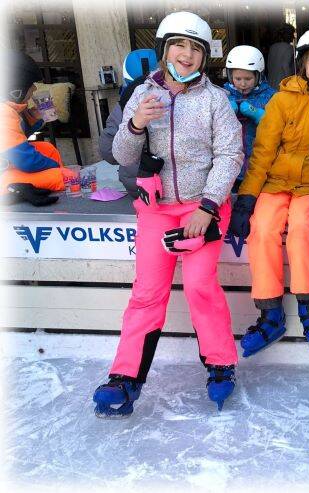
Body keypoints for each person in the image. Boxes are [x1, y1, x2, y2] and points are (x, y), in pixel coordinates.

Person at [92, 11, 243, 417]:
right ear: (164, 50)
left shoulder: (215, 100)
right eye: (180, 45)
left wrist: (208, 208)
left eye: (196, 48)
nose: (188, 54)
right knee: (146, 294)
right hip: (156, 208)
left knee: (199, 287)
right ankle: (124, 378)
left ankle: (220, 364)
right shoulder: (144, 93)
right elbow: (120, 156)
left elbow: (230, 155)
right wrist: (136, 124)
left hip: (202, 210)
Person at [228, 28, 309, 357]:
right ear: (302, 65)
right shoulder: (282, 100)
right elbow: (262, 151)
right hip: (276, 183)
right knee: (262, 229)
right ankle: (270, 313)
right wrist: (247, 199)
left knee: (301, 230)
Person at [1, 50, 70, 206]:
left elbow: (17, 139)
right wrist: (53, 167)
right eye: (31, 86)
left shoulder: (8, 109)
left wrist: (33, 117)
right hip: (4, 173)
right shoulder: (3, 113)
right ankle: (9, 190)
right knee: (62, 176)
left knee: (47, 148)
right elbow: (26, 161)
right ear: (16, 89)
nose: (34, 90)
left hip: (6, 164)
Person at [99, 48, 158, 196]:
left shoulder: (123, 105)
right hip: (173, 186)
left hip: (136, 186)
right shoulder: (171, 100)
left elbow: (108, 151)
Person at [224, 45, 276, 190]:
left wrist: (260, 115)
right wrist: (225, 111)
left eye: (248, 78)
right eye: (238, 78)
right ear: (230, 76)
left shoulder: (270, 95)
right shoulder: (223, 95)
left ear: (258, 76)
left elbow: (278, 124)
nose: (242, 83)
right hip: (231, 162)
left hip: (259, 160)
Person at [267, 23, 296, 89]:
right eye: (292, 34)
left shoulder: (272, 47)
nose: (293, 37)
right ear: (287, 35)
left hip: (270, 85)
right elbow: (285, 66)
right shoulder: (289, 48)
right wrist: (290, 83)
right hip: (282, 86)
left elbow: (268, 66)